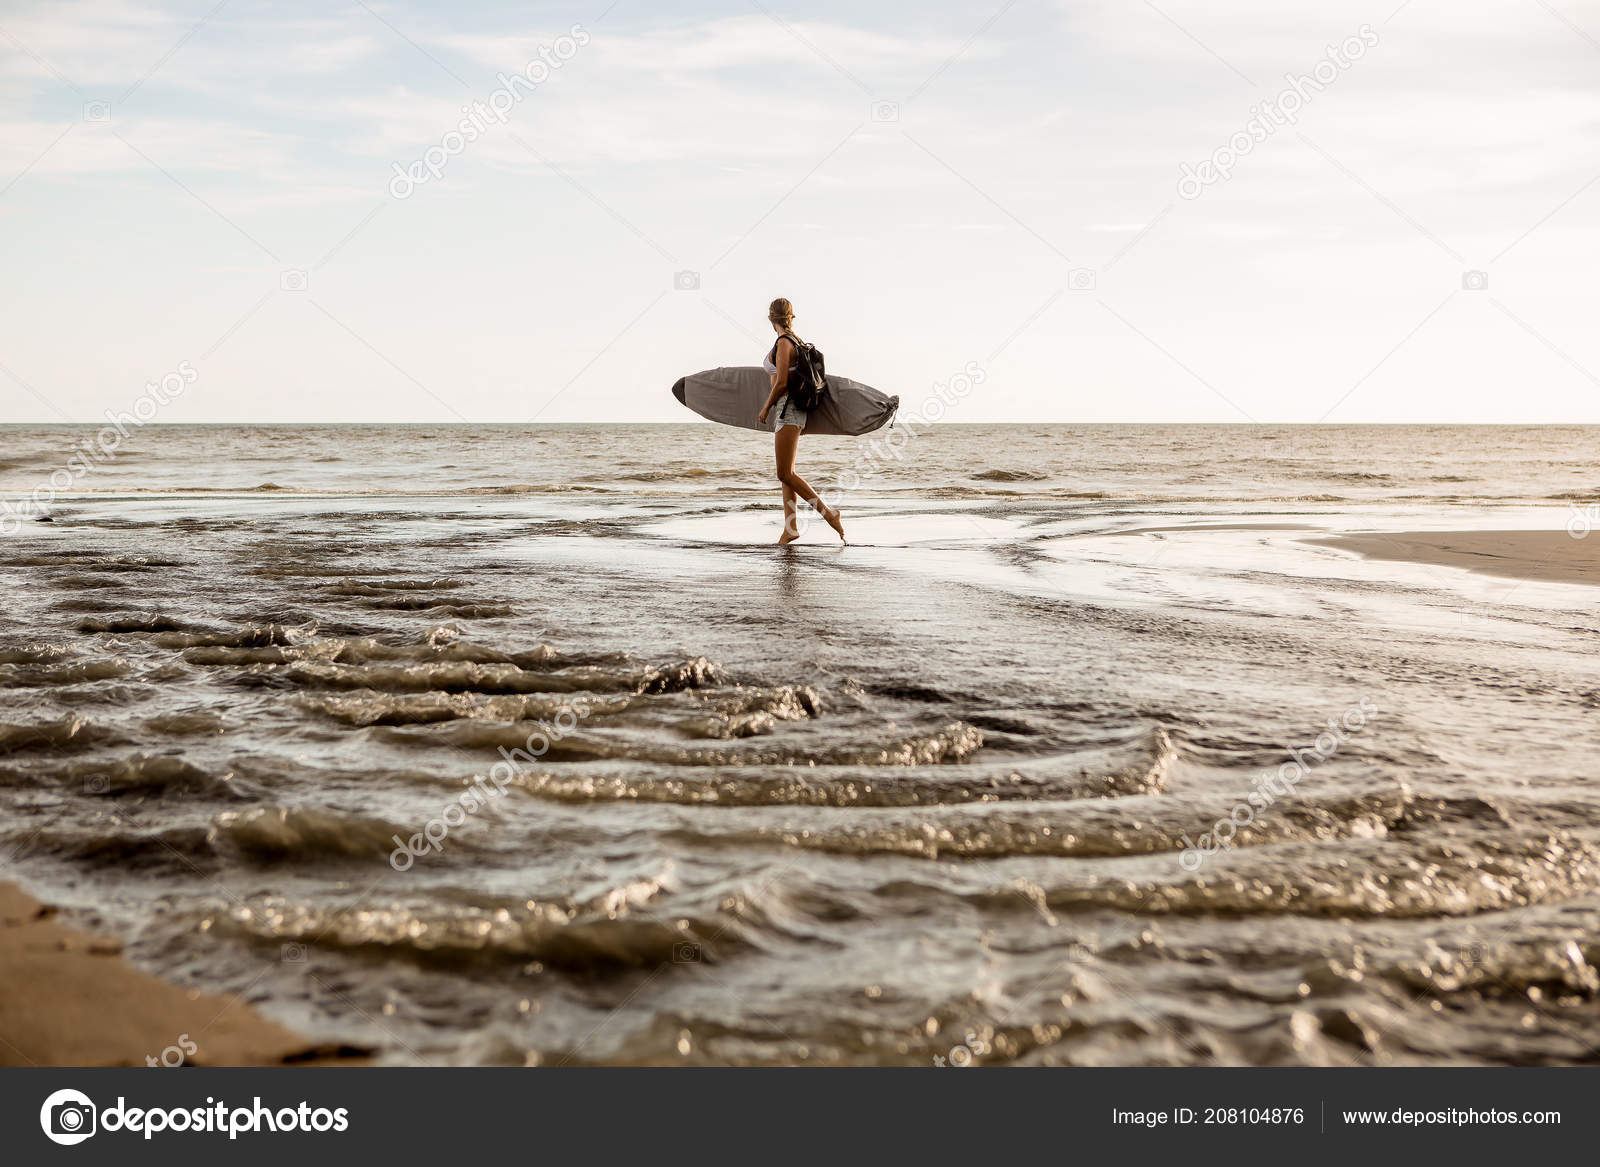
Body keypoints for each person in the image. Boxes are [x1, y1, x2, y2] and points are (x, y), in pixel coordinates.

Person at [757, 297, 846, 545]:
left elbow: (783, 382)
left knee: (785, 472)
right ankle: (790, 527)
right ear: (791, 316)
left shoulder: (784, 343)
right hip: (789, 410)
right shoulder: (794, 340)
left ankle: (830, 515)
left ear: (770, 318)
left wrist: (766, 407)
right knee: (786, 474)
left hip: (787, 408)